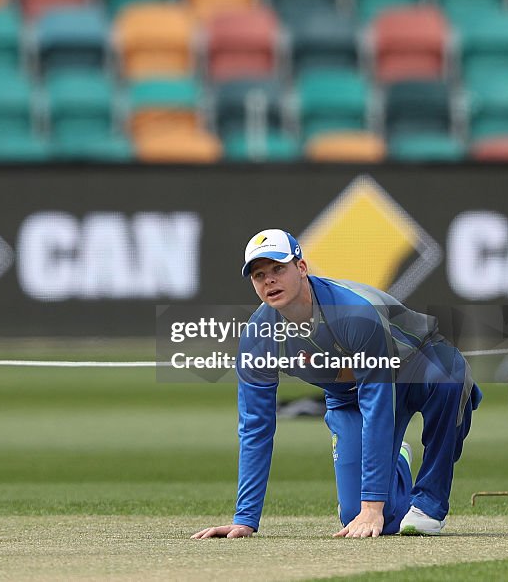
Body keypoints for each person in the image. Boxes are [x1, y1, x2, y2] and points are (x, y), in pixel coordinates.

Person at [192, 229, 481, 540]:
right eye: (259, 275)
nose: (269, 280)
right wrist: (245, 518)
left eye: (278, 268)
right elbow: (255, 425)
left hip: (419, 365)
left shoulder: (354, 315)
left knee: (449, 381)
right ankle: (396, 461)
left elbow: (378, 406)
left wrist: (372, 505)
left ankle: (429, 503)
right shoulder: (257, 338)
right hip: (348, 397)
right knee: (366, 519)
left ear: (301, 268)